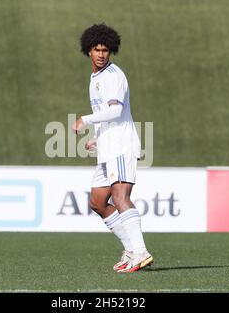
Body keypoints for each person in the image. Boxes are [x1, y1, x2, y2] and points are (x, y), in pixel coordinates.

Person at [72, 23, 153, 273]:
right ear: (88, 50)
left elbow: (116, 110)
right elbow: (110, 115)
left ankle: (140, 251)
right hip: (108, 146)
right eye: (96, 49)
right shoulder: (96, 77)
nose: (100, 54)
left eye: (105, 50)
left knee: (120, 198)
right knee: (98, 202)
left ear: (111, 51)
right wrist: (98, 138)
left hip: (121, 147)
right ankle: (131, 249)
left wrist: (85, 120)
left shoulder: (113, 75)